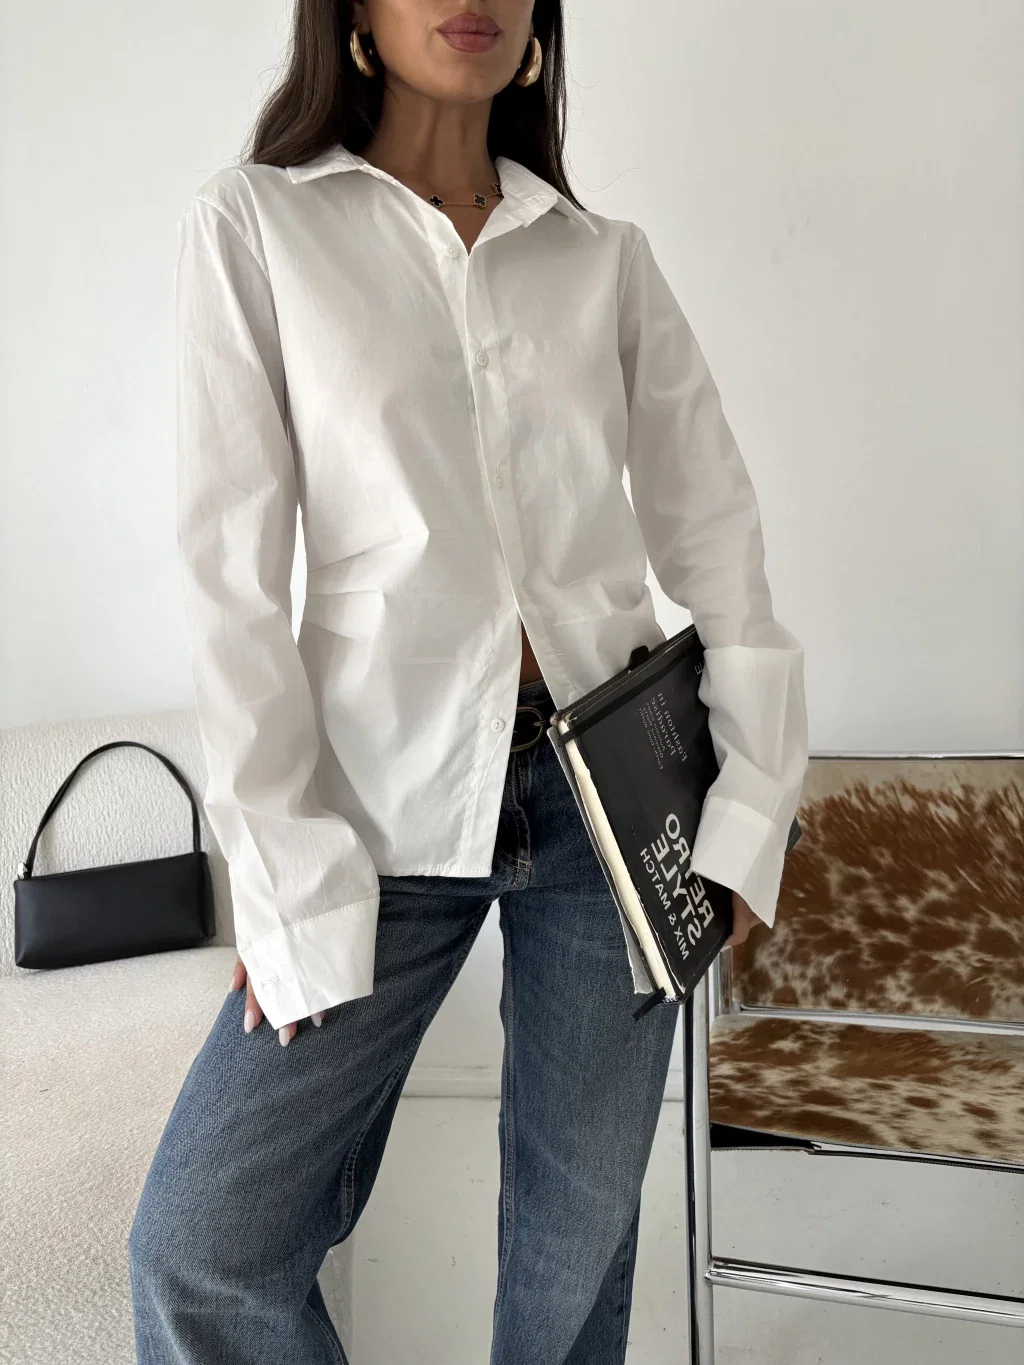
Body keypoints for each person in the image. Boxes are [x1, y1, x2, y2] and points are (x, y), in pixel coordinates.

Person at [129, 2, 809, 1361]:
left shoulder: (601, 258)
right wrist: (281, 875)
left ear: (541, 32)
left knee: (574, 1259)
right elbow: (231, 583)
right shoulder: (257, 225)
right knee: (203, 1249)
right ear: (354, 20)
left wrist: (748, 814)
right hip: (371, 810)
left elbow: (719, 536)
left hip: (615, 801)